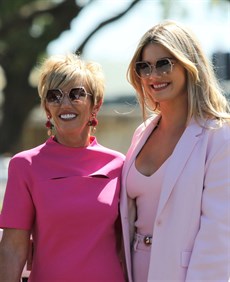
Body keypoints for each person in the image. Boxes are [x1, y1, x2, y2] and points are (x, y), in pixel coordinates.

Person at [120, 20, 230, 281]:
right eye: (144, 67)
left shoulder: (219, 136)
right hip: (133, 271)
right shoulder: (142, 133)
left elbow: (218, 235)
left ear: (189, 65)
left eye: (164, 63)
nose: (153, 75)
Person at [0, 53, 126, 282]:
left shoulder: (120, 165)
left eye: (76, 94)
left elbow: (128, 245)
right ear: (46, 107)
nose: (65, 103)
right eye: (54, 96)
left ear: (95, 104)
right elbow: (13, 249)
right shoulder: (24, 165)